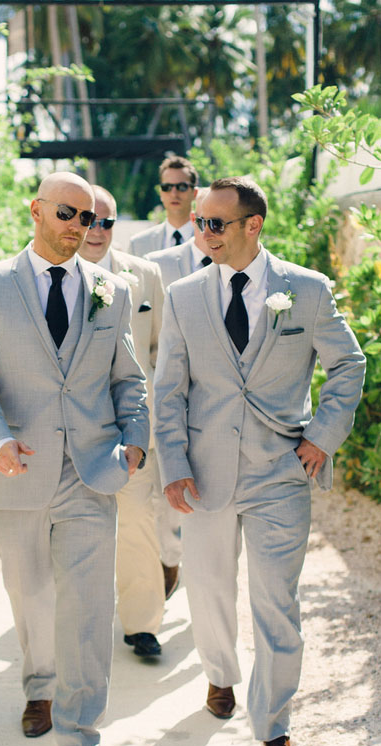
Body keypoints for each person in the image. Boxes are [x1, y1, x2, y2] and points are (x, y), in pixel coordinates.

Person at [153, 177, 365, 746]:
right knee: (210, 592)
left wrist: (323, 435)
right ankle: (220, 675)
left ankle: (274, 727)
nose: (204, 233)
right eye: (199, 223)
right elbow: (168, 391)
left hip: (280, 472)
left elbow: (348, 364)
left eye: (216, 224)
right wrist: (172, 465)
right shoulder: (186, 295)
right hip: (204, 473)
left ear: (253, 225)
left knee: (277, 602)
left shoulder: (306, 289)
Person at [0, 172, 149, 746]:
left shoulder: (111, 290)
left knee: (89, 606)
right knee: (30, 592)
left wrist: (137, 438)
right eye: (69, 213)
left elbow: (128, 377)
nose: (81, 228)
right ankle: (39, 685)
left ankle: (83, 738)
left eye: (90, 219)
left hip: (91, 472)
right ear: (36, 209)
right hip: (18, 467)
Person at [78, 185, 165, 659]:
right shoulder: (57, 276)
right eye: (88, 219)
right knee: (80, 533)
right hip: (75, 428)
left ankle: (142, 625)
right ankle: (81, 626)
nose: (97, 230)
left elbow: (162, 353)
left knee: (137, 522)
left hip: (133, 424)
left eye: (107, 221)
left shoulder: (145, 275)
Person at [144, 186, 211, 596]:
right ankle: (169, 560)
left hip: (215, 406)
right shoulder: (157, 265)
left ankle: (203, 573)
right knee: (161, 493)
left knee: (206, 498)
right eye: (202, 218)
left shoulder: (246, 263)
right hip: (165, 395)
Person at [128, 155, 198, 258]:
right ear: (161, 193)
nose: (174, 194)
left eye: (182, 187)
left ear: (194, 193)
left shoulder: (211, 241)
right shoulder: (138, 245)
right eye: (167, 187)